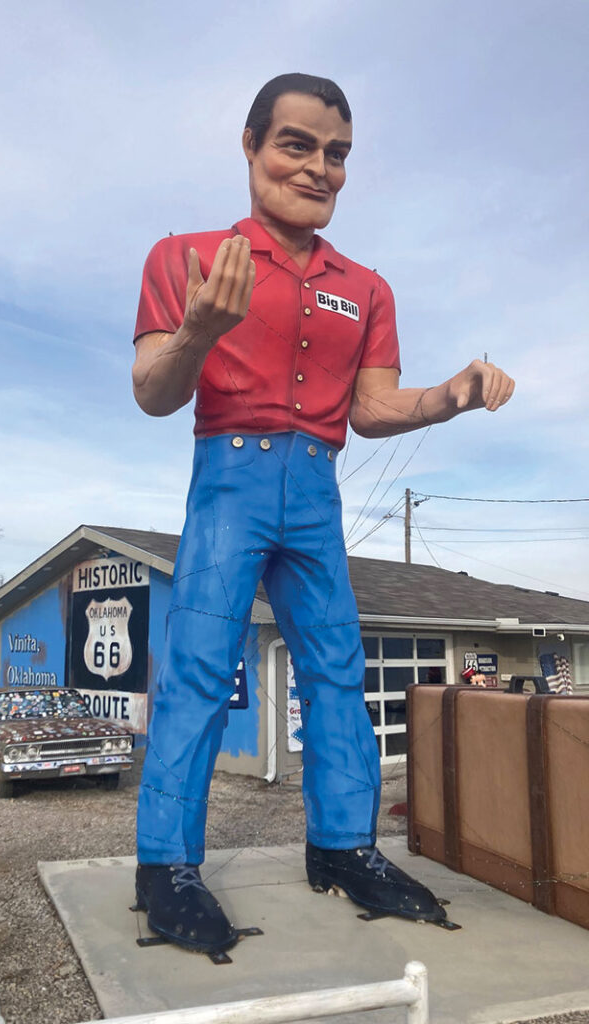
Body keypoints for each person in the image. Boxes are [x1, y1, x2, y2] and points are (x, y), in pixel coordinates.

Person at [131, 73, 515, 954]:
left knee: (337, 669)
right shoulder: (187, 254)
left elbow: (371, 409)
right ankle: (166, 865)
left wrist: (449, 396)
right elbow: (154, 391)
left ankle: (345, 848)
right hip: (228, 475)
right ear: (252, 144)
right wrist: (198, 330)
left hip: (314, 486)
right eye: (296, 144)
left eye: (336, 153)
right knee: (197, 663)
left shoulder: (365, 287)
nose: (318, 168)